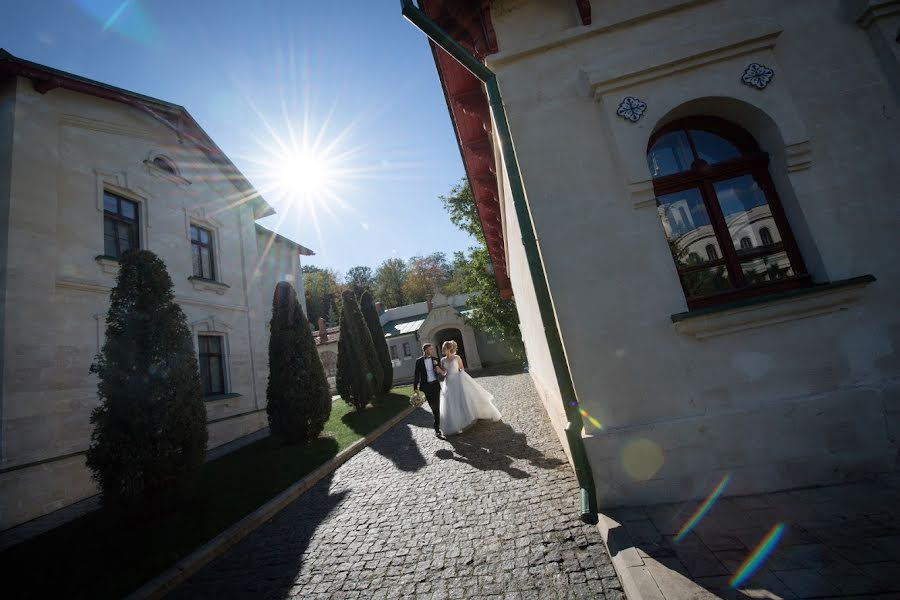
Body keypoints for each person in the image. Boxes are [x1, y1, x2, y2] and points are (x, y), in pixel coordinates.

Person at [439, 340, 501, 436]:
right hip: (448, 382)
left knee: (462, 399)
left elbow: (461, 368)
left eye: (444, 348)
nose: (443, 349)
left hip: (457, 380)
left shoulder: (456, 357)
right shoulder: (442, 360)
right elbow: (444, 373)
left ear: (449, 348)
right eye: (443, 348)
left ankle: (469, 417)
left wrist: (461, 378)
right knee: (451, 402)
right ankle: (456, 423)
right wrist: (439, 370)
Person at [413, 343, 446, 438]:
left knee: (437, 407)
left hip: (435, 385)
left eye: (432, 349)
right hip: (426, 387)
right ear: (425, 350)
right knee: (432, 407)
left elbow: (440, 373)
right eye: (430, 349)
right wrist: (415, 388)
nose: (431, 351)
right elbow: (416, 375)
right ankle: (437, 421)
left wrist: (438, 370)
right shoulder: (419, 361)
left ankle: (437, 429)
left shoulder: (435, 359)